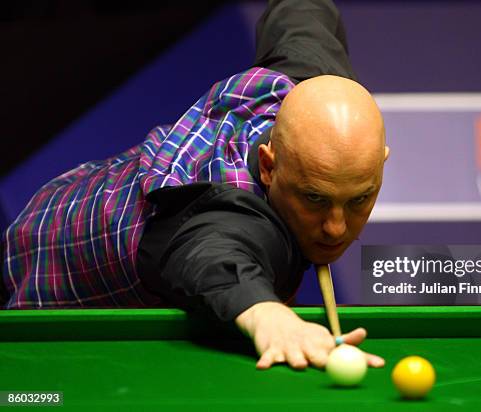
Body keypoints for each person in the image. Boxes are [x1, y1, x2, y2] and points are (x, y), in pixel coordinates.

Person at [1, 0, 389, 370]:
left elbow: (302, 16)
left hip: (89, 186)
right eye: (314, 198)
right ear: (269, 167)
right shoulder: (228, 214)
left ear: (383, 161)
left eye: (359, 199)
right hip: (49, 270)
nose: (336, 226)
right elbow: (211, 255)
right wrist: (268, 315)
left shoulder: (304, 77)